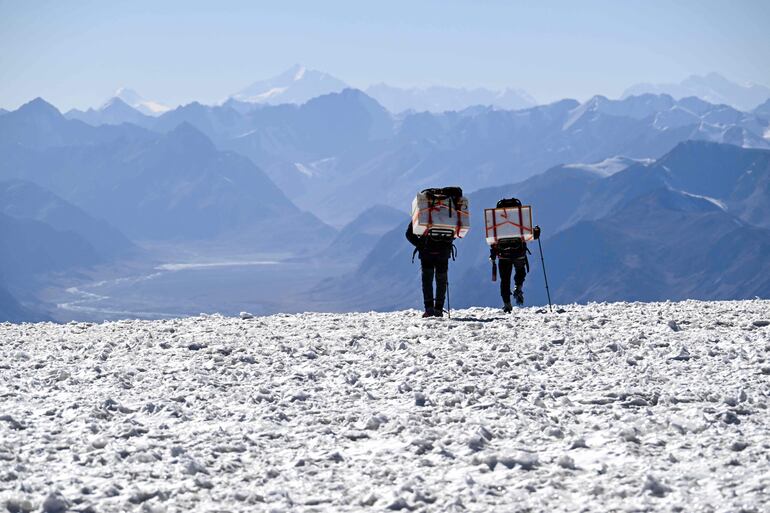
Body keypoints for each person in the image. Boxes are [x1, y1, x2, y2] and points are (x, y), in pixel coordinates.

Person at [405, 222, 454, 317]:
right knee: (441, 280)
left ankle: (429, 309)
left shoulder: (422, 214)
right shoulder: (449, 215)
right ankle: (438, 309)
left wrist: (420, 244)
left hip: (426, 253)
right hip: (443, 252)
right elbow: (454, 233)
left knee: (427, 281)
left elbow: (408, 234)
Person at [490, 225, 541, 312]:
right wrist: (536, 231)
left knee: (505, 280)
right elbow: (531, 235)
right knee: (520, 271)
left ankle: (507, 304)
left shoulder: (497, 223)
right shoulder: (520, 221)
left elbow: (491, 239)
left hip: (503, 255)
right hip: (519, 253)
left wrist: (493, 254)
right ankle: (518, 287)